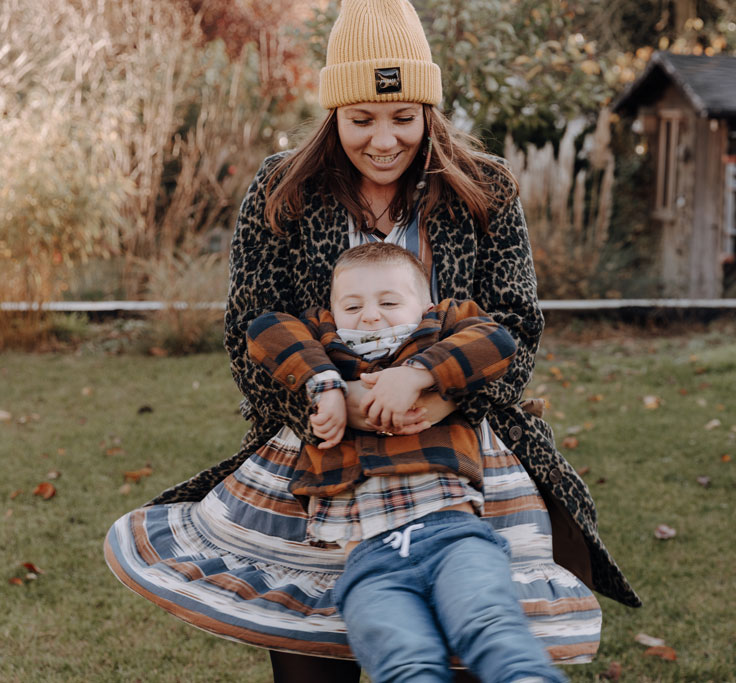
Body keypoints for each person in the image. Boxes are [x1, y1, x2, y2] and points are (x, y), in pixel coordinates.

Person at [104, 0, 640, 681]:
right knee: (316, 661)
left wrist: (435, 391)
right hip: (321, 457)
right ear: (334, 114)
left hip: (457, 453)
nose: (383, 139)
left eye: (402, 117)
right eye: (361, 118)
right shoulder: (283, 189)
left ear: (428, 112)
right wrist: (337, 401)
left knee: (475, 638)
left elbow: (517, 323)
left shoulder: (485, 188)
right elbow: (252, 325)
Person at [246, 241, 565, 681]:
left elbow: (497, 340)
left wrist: (418, 375)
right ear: (331, 311)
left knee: (491, 628)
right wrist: (325, 385)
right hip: (368, 561)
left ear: (425, 305)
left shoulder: (440, 328)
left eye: (389, 301)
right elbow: (265, 327)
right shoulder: (324, 343)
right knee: (404, 660)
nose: (371, 315)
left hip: (454, 537)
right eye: (352, 305)